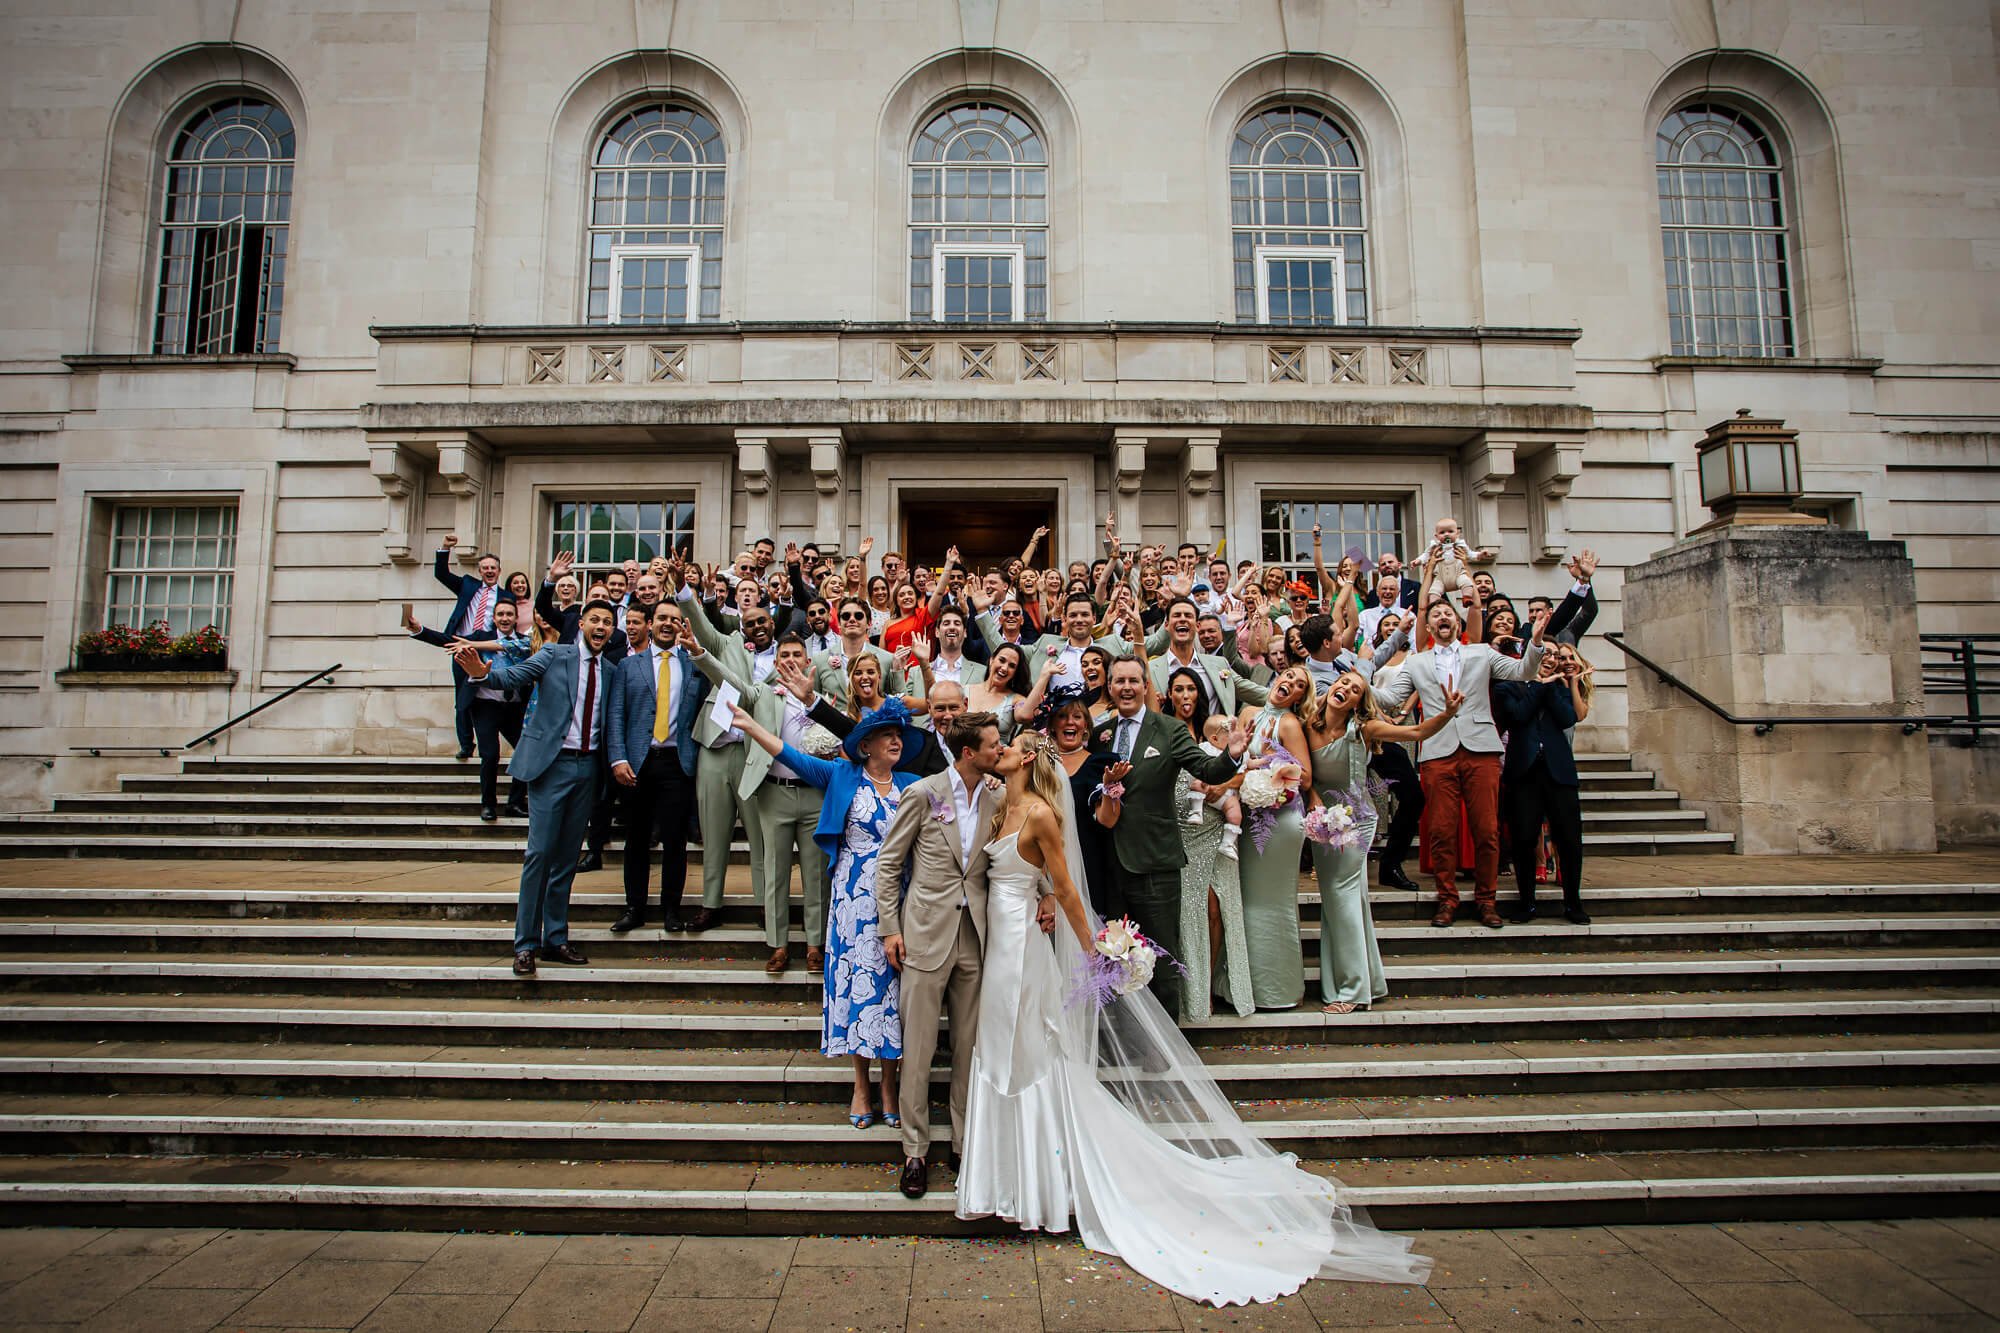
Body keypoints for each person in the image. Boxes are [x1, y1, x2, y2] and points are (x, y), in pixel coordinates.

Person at [953, 729, 1433, 1303]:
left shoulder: (1038, 814)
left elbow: (1067, 889)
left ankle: (1036, 1190)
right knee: (999, 1046)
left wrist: (1095, 951)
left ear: (1027, 757)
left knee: (1029, 1048)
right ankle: (1004, 1182)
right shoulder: (1000, 802)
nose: (998, 749)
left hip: (1025, 953)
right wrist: (1043, 903)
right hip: (999, 942)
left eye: (1007, 745)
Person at [733, 696, 925, 1130]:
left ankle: (890, 1085)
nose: (896, 741)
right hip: (852, 904)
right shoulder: (842, 776)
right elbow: (791, 756)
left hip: (900, 899)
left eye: (899, 736)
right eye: (888, 736)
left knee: (895, 996)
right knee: (861, 992)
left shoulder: (914, 784)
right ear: (866, 746)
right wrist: (749, 726)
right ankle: (861, 1084)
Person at [876, 710, 1015, 1201]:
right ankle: (914, 1151)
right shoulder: (924, 793)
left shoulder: (1000, 795)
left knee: (968, 1049)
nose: (1000, 750)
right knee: (917, 1050)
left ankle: (962, 1143)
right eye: (994, 744)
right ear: (968, 752)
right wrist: (890, 928)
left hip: (976, 937)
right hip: (924, 936)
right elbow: (888, 865)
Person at [453, 600, 618, 977]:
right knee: (540, 854)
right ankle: (525, 944)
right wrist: (482, 674)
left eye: (608, 623)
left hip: (588, 768)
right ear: (581, 624)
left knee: (566, 859)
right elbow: (513, 678)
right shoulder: (553, 654)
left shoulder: (611, 670)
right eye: (595, 619)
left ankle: (555, 938)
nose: (601, 627)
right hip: (552, 765)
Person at [1373, 598, 1548, 928]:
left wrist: (1536, 643)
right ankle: (1447, 898)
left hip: (1480, 748)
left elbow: (1523, 671)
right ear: (1430, 626)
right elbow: (1391, 698)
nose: (1442, 617)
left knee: (1487, 830)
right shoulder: (1416, 662)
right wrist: (1358, 683)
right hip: (1438, 749)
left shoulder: (1480, 653)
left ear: (1457, 623)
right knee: (1440, 831)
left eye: (1447, 614)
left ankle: (1486, 900)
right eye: (1436, 614)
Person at [1304, 671, 1464, 1014]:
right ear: (1331, 687)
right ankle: (1368, 980)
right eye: (1342, 683)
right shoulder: (1307, 725)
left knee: (1343, 899)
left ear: (1359, 703)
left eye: (1355, 689)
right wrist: (1314, 797)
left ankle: (1352, 990)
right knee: (1341, 901)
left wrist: (1448, 714)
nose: (1345, 689)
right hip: (1322, 824)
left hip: (1356, 822)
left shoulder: (1364, 730)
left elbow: (1417, 732)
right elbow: (1302, 772)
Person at [1091, 658, 1244, 1017]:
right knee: (1114, 954)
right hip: (1109, 861)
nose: (1126, 687)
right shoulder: (1102, 733)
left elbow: (1205, 769)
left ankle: (1166, 1050)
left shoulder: (1169, 730)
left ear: (1145, 686)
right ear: (1110, 687)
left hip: (1156, 863)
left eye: (1133, 680)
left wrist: (1231, 756)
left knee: (1161, 955)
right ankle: (1123, 1038)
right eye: (1119, 681)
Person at [691, 629, 836, 971]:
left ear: (807, 659)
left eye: (795, 655)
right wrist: (702, 655)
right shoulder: (764, 695)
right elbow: (731, 683)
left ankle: (815, 944)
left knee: (816, 875)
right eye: (783, 656)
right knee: (775, 873)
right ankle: (778, 944)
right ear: (775, 662)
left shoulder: (824, 699)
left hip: (815, 796)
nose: (789, 661)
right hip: (774, 794)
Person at [605, 600, 708, 933]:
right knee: (636, 839)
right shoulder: (628, 665)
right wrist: (618, 757)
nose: (668, 624)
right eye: (662, 618)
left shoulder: (693, 665)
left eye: (675, 620)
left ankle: (671, 910)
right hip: (637, 762)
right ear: (649, 623)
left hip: (677, 762)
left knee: (675, 841)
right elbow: (616, 713)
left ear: (682, 626)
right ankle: (634, 907)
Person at [1161, 668, 1252, 1022]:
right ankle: (1190, 991)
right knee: (1189, 912)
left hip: (1216, 823)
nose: (1185, 695)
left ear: (1199, 694)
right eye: (1178, 689)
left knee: (1217, 908)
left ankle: (1208, 983)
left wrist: (1225, 783)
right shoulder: (1162, 727)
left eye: (1191, 689)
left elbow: (1244, 768)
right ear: (1169, 694)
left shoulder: (1215, 730)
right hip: (1182, 826)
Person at [1232, 664, 1314, 1010]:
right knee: (1246, 899)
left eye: (1298, 685)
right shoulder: (1248, 711)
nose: (1289, 684)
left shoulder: (1291, 724)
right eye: (1288, 677)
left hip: (1278, 822)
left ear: (1299, 697)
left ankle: (1275, 988)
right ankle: (1242, 984)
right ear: (1276, 678)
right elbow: (1232, 755)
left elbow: (1306, 777)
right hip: (1248, 816)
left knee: (1271, 901)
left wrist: (1268, 766)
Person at [405, 599, 530, 819]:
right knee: (490, 755)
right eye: (500, 614)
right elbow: (449, 640)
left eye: (509, 614)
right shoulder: (480, 637)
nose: (505, 618)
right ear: (494, 618)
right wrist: (420, 630)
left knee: (526, 753)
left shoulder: (525, 642)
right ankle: (488, 805)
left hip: (515, 707)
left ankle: (515, 802)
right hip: (485, 705)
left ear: (516, 618)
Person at [1494, 647, 1590, 925]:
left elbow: (1566, 718)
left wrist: (1555, 686)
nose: (1550, 659)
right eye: (1545, 654)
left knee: (1569, 839)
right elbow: (1519, 716)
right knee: (1524, 839)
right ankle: (1527, 902)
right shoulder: (1507, 688)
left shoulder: (1559, 689)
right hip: (1523, 773)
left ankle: (1573, 902)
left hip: (1559, 771)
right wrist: (1538, 685)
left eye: (1555, 656)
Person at [434, 534, 507, 759]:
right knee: (462, 699)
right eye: (485, 567)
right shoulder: (467, 586)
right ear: (480, 571)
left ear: (499, 571)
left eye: (493, 567)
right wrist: (445, 547)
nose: (489, 571)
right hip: (462, 648)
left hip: (487, 649)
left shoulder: (506, 597)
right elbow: (441, 574)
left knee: (487, 696)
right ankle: (466, 744)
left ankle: (492, 740)